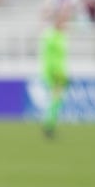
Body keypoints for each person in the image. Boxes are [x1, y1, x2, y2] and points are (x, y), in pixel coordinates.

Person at [39, 9, 69, 139]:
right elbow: (49, 58)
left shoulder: (61, 36)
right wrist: (55, 73)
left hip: (59, 72)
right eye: (62, 21)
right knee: (56, 98)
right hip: (53, 73)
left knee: (56, 99)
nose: (65, 24)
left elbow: (61, 58)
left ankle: (50, 124)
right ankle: (49, 126)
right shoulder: (51, 37)